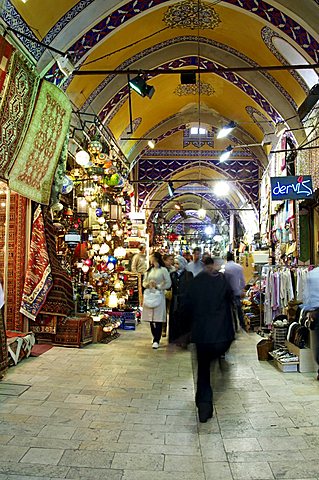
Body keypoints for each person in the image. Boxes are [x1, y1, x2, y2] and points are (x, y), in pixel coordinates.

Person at [185, 257, 234, 422]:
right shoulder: (222, 281)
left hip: (202, 335)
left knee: (203, 371)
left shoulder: (196, 282)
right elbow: (232, 299)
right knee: (211, 366)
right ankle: (219, 365)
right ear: (212, 265)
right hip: (221, 334)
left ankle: (204, 407)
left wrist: (182, 335)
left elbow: (186, 306)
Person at [141, 252, 171, 349]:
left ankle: (157, 339)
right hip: (150, 295)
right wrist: (148, 284)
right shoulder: (149, 271)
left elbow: (168, 283)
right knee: (151, 318)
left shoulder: (163, 270)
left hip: (159, 295)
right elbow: (144, 282)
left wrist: (158, 286)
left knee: (158, 318)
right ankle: (154, 336)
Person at [169, 255, 193, 345]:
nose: (176, 266)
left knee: (184, 319)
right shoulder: (172, 275)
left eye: (177, 264)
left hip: (185, 301)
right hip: (175, 300)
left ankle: (184, 339)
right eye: (174, 264)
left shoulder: (188, 275)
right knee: (175, 318)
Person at [302, 267, 319, 380]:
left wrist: (310, 311)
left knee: (318, 342)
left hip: (317, 312)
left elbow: (307, 296)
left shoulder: (312, 274)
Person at [224, 251, 246, 329]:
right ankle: (242, 325)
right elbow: (242, 279)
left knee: (230, 310)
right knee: (239, 309)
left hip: (228, 292)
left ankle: (234, 326)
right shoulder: (239, 267)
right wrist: (243, 289)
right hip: (237, 291)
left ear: (226, 258)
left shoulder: (225, 268)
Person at [162, 254, 175, 337]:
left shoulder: (173, 269)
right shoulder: (162, 270)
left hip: (172, 292)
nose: (172, 261)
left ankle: (172, 330)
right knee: (163, 312)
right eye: (170, 259)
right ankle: (163, 329)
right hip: (163, 292)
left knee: (171, 312)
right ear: (165, 260)